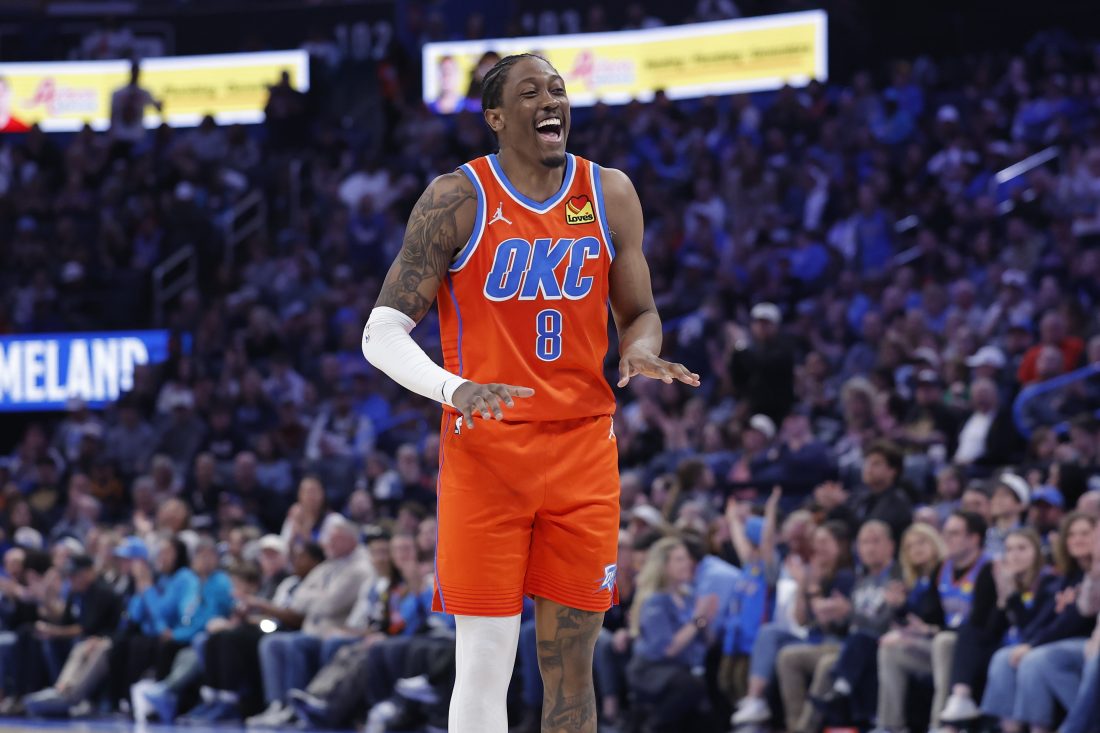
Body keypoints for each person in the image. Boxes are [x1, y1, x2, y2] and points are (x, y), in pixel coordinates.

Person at [361, 52, 699, 733]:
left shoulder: (610, 193)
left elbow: (640, 312)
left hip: (583, 451)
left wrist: (638, 348)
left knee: (572, 666)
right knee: (485, 660)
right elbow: (380, 331)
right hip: (488, 452)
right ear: (494, 117)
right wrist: (454, 388)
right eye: (530, 92)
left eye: (558, 89)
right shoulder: (456, 198)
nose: (552, 101)